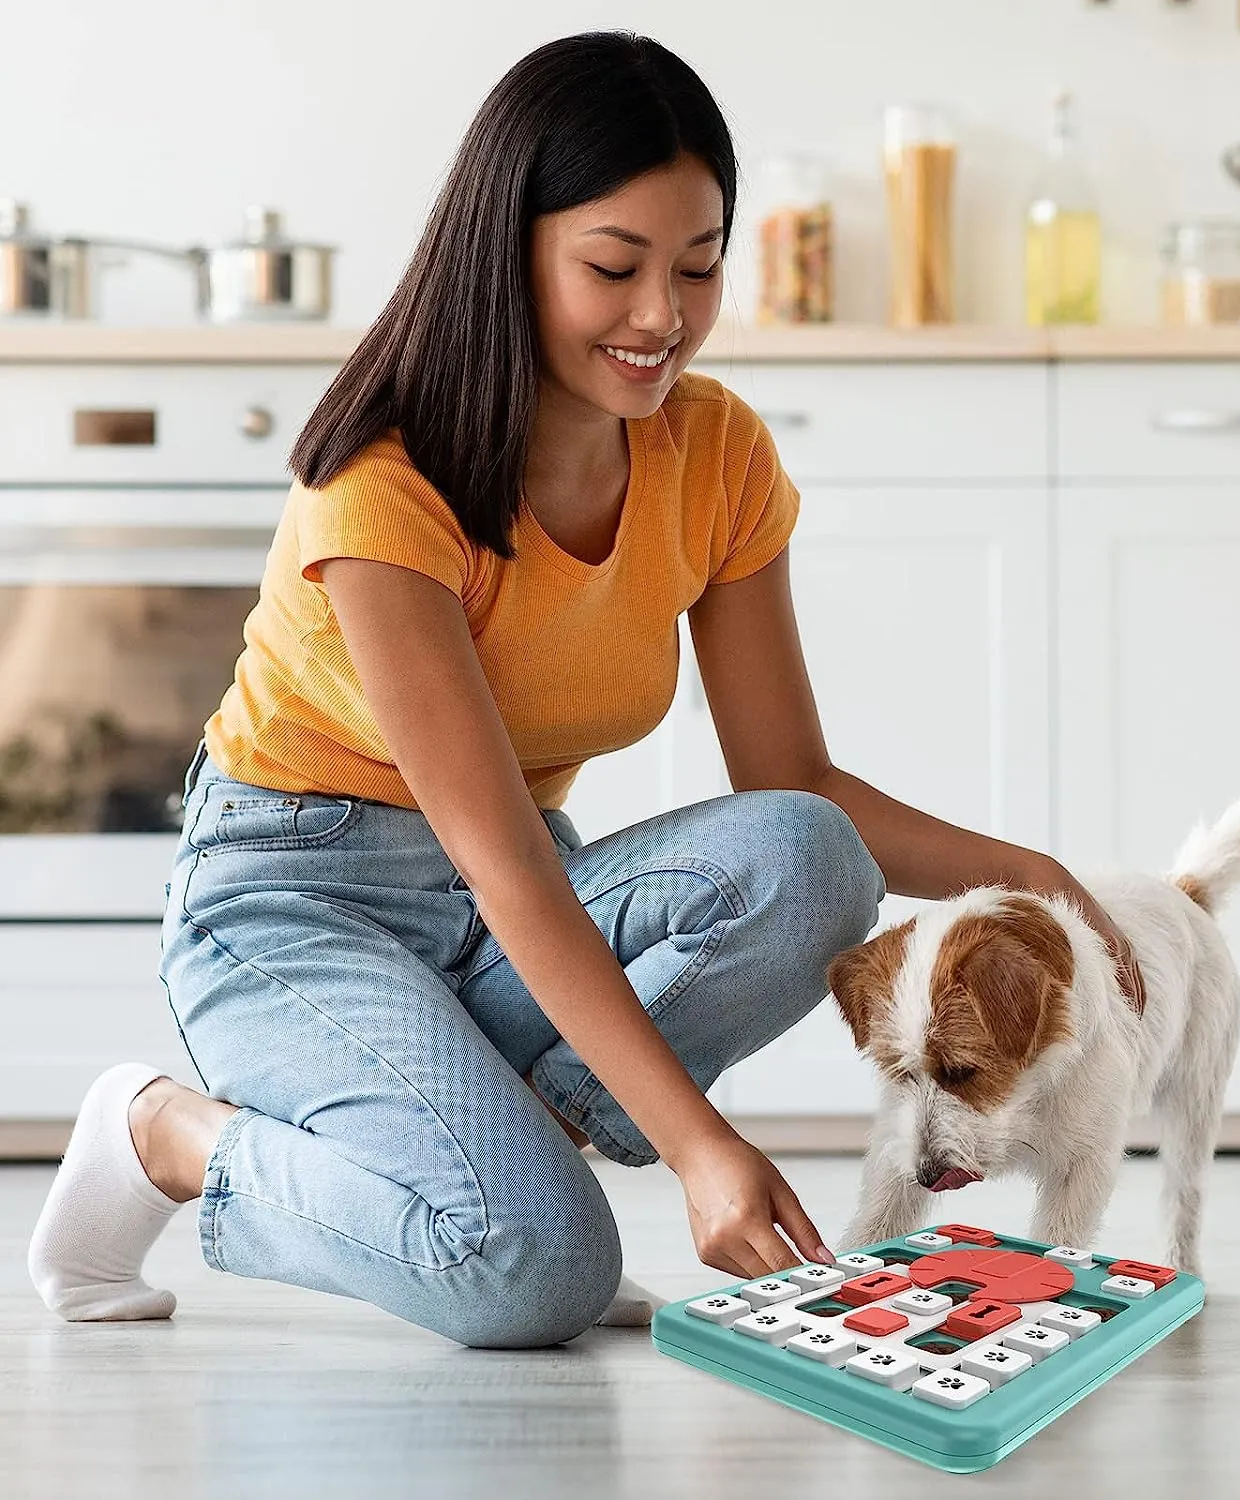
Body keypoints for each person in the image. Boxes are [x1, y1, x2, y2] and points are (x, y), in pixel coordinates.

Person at [27, 31, 1144, 1348]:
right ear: (511, 250)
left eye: (699, 264)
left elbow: (793, 786)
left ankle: (504, 1158)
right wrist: (700, 1147)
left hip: (507, 908)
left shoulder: (713, 453)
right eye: (613, 267)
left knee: (812, 856)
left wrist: (1041, 880)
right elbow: (502, 863)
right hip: (296, 902)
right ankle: (167, 1137)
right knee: (532, 1278)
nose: (661, 316)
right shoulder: (387, 481)